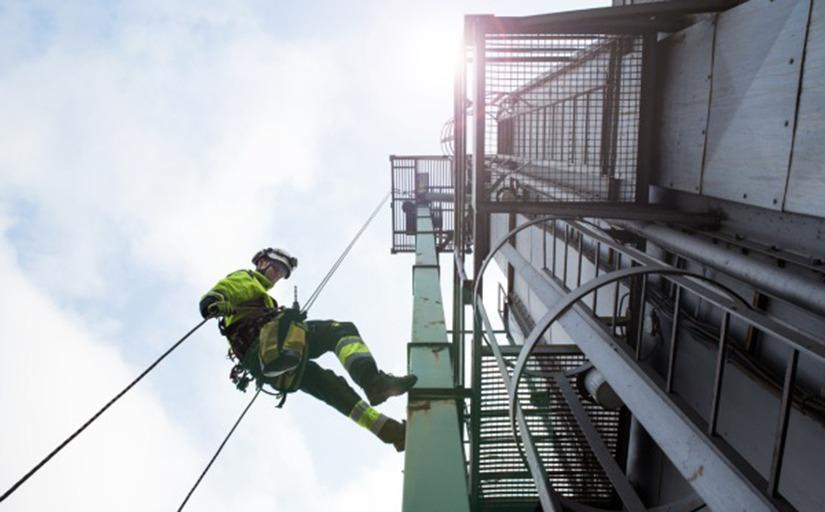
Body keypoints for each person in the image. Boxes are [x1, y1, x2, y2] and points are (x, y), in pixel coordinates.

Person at [199, 247, 416, 451]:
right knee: (339, 331)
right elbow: (229, 289)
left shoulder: (265, 300)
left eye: (280, 274)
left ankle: (392, 432)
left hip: (266, 360)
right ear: (262, 262)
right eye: (275, 269)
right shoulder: (248, 279)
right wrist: (213, 301)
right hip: (269, 344)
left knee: (331, 386)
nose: (275, 276)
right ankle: (373, 382)